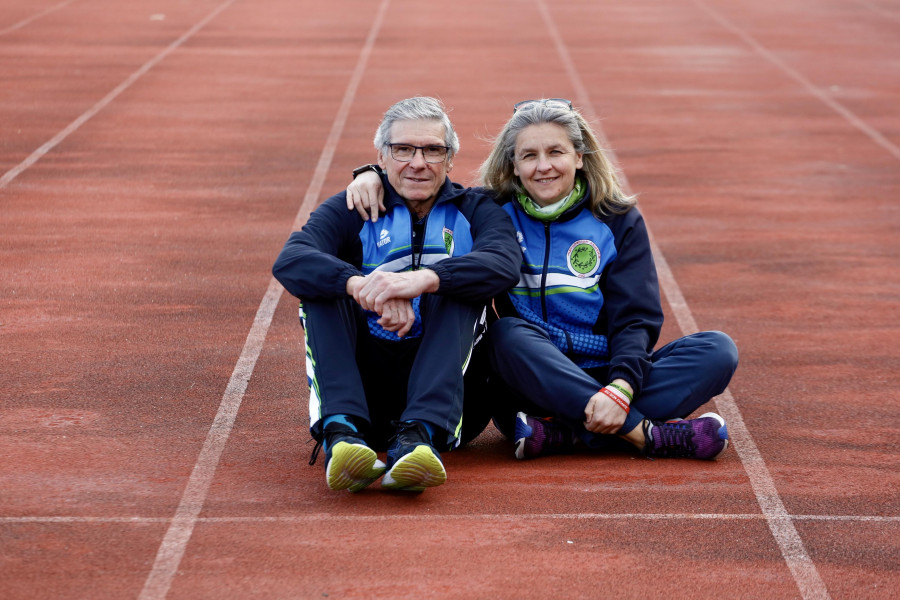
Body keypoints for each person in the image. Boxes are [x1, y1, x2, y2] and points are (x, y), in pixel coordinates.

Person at [347, 98, 739, 462]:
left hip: (605, 368)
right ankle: (642, 433)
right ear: (513, 165)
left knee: (717, 351)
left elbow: (635, 319)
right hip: (527, 379)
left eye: (555, 152)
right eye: (529, 156)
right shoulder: (490, 211)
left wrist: (620, 387)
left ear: (579, 158)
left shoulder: (616, 219)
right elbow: (429, 189)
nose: (543, 166)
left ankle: (563, 435)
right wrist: (372, 175)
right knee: (507, 336)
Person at [272, 97, 521, 493]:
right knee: (322, 289)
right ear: (382, 157)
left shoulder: (476, 209)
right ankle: (343, 434)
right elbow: (291, 259)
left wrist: (421, 281)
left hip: (454, 398)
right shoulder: (356, 206)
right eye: (403, 149)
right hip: (369, 389)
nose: (417, 162)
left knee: (462, 287)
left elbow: (504, 263)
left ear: (450, 159)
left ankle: (419, 438)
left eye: (432, 150)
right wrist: (360, 286)